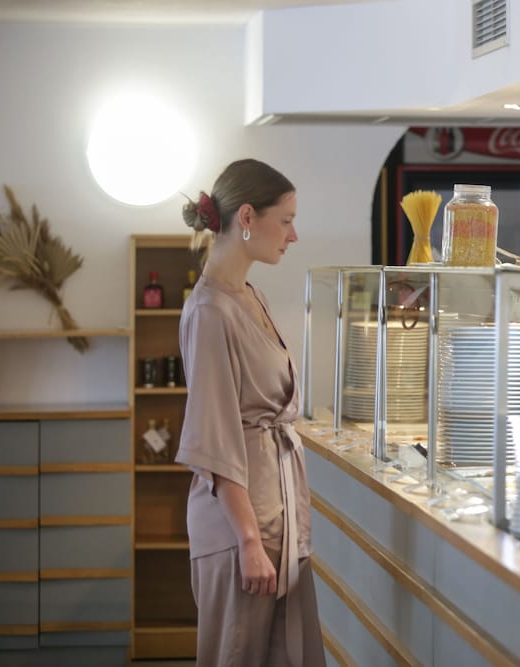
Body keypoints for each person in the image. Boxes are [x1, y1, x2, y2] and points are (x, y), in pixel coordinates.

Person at [176, 159, 327, 666]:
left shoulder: (249, 295)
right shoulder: (210, 311)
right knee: (237, 656)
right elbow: (213, 439)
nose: (293, 235)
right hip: (240, 529)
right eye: (285, 221)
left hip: (275, 515)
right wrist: (248, 542)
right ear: (246, 217)